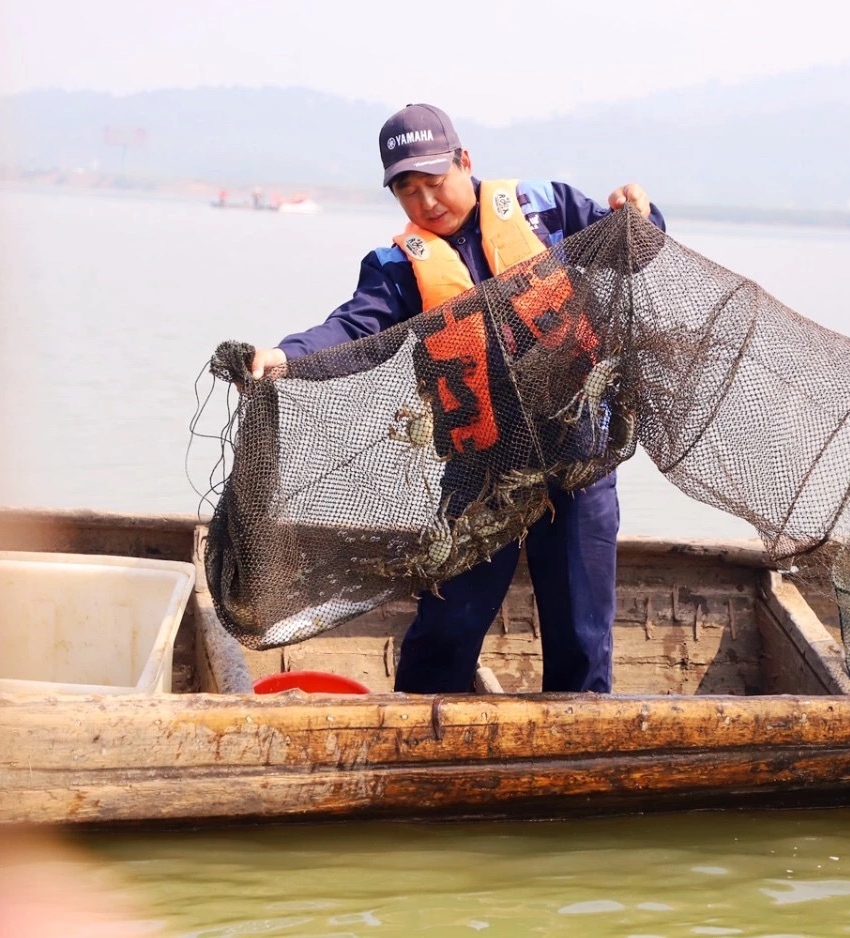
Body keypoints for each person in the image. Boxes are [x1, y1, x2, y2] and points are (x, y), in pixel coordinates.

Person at [249, 103, 664, 695]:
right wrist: (286, 356)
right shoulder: (397, 264)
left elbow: (638, 247)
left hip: (577, 458)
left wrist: (642, 211)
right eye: (407, 190)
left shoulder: (545, 206)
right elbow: (352, 329)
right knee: (450, 618)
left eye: (434, 181)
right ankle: (418, 730)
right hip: (480, 467)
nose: (426, 202)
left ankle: (576, 746)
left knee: (581, 627)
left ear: (464, 161)